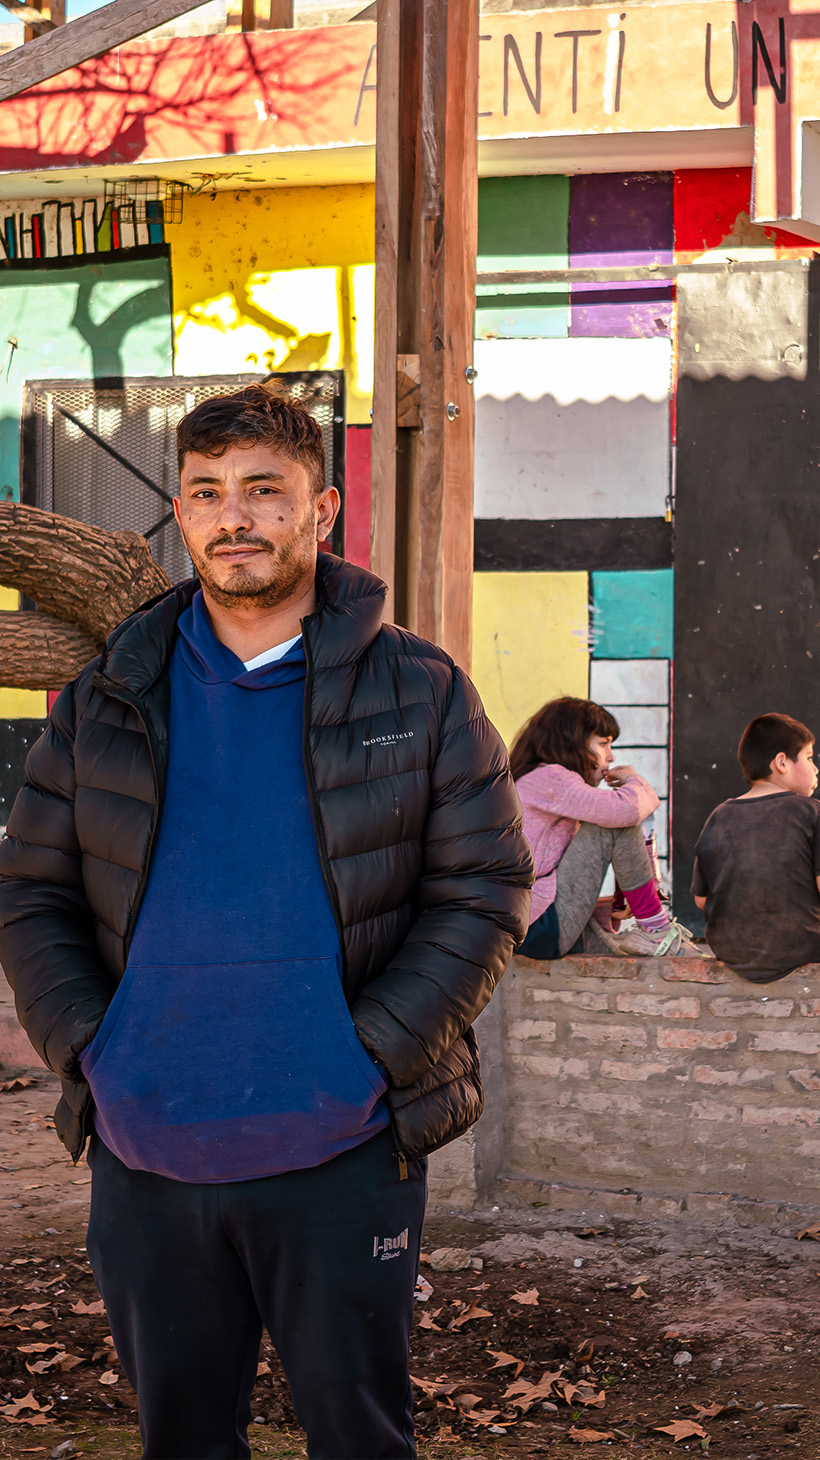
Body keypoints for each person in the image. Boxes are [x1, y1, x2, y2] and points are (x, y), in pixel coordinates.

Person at [0, 383, 533, 1460]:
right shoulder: (110, 693)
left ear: (322, 510)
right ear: (183, 513)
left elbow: (482, 890)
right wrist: (94, 1050)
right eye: (206, 492)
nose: (232, 515)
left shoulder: (419, 690)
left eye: (263, 490)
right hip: (145, 1154)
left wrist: (369, 1055)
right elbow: (32, 890)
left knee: (360, 1437)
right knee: (182, 1440)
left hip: (340, 1148)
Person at [511, 696, 701, 959]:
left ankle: (652, 925)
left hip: (530, 926)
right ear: (572, 742)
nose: (610, 757)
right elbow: (627, 811)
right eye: (603, 744)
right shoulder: (549, 778)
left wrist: (614, 900)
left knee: (615, 815)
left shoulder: (537, 780)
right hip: (535, 929)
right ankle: (655, 928)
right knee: (612, 821)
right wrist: (634, 780)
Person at [693, 712, 820, 981]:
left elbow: (701, 899)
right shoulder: (811, 812)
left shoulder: (718, 816)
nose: (816, 768)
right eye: (809, 758)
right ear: (782, 762)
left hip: (730, 951)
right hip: (802, 947)